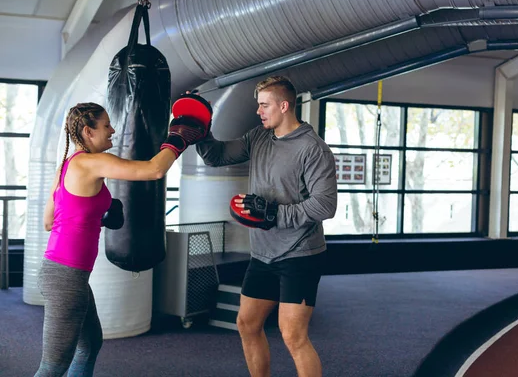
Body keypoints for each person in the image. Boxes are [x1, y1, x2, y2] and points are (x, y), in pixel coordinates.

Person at [35, 102, 203, 376]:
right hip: (65, 278)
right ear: (89, 132)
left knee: (89, 344)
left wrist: (95, 216)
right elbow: (154, 170)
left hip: (62, 273)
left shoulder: (67, 166)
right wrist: (178, 139)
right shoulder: (92, 162)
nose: (113, 130)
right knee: (52, 367)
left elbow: (48, 222)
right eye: (106, 126)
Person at [195, 76, 338, 377]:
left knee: (293, 335)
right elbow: (216, 156)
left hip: (300, 255)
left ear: (284, 106)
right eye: (258, 105)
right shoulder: (258, 137)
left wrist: (273, 214)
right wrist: (200, 131)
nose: (258, 111)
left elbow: (325, 206)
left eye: (264, 105)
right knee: (247, 324)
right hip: (263, 254)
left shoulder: (313, 149)